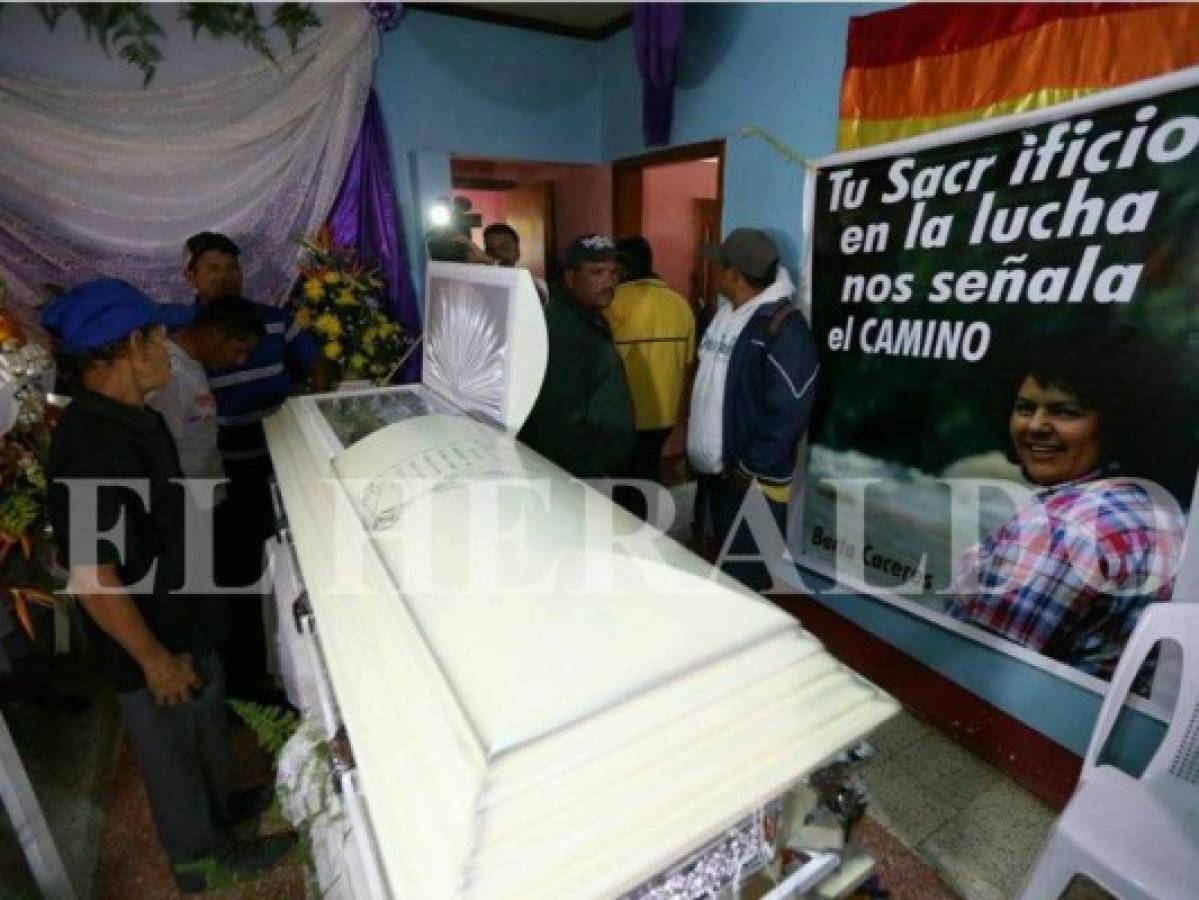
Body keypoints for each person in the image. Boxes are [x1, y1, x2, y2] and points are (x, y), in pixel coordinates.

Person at [41, 279, 292, 893]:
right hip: (152, 639)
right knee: (173, 752)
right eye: (158, 336)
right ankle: (200, 858)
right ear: (132, 345)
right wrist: (153, 660)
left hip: (183, 616)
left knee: (203, 732)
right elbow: (92, 576)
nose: (167, 349)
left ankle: (219, 812)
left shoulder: (137, 419)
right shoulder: (92, 448)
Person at [947, 327, 1188, 679]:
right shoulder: (1162, 512)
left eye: (1065, 412)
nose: (1035, 426)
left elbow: (967, 678)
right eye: (1025, 408)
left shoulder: (1062, 530)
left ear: (1117, 423)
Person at [182, 232, 319, 699]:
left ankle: (293, 668)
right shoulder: (187, 339)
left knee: (291, 567)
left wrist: (303, 413)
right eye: (212, 268)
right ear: (191, 276)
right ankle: (248, 679)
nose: (225, 276)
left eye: (231, 267)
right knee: (238, 575)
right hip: (223, 475)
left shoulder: (275, 322)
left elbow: (316, 367)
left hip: (283, 462)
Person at [687, 229, 819, 591]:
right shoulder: (726, 315)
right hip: (718, 474)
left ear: (734, 274)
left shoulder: (785, 329)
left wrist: (748, 467)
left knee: (746, 581)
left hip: (752, 481)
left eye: (721, 266)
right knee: (720, 568)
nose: (715, 271)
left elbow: (789, 414)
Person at [519, 234, 634, 479]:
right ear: (570, 278)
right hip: (579, 472)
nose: (609, 281)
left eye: (613, 273)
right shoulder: (563, 330)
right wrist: (588, 471)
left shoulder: (587, 316)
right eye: (597, 272)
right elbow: (559, 418)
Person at [604, 236, 696, 514]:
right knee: (648, 473)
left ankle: (625, 531)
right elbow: (688, 363)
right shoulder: (680, 305)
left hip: (623, 415)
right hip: (663, 416)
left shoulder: (611, 305)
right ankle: (648, 528)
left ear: (621, 267)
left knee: (620, 486)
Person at [148, 298, 265, 497]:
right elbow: (158, 452)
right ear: (214, 334)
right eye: (239, 350)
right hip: (183, 497)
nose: (240, 361)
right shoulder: (169, 374)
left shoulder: (191, 363)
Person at [483, 222, 549, 302]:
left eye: (505, 248)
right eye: (491, 249)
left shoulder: (537, 283)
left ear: (517, 252)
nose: (498, 253)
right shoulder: (480, 284)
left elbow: (538, 300)